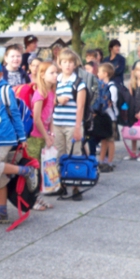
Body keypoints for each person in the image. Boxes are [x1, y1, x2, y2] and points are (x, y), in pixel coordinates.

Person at [0, 59, 38, 225]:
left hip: (5, 136)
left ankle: (26, 171)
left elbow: (15, 114)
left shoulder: (5, 89)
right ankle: (2, 211)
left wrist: (22, 137)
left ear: (0, 74)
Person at [52, 48, 86, 200]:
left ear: (75, 64)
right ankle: (63, 185)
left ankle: (76, 187)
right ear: (59, 64)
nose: (67, 65)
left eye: (70, 62)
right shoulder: (56, 80)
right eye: (64, 62)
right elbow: (49, 100)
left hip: (72, 124)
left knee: (74, 155)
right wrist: (57, 100)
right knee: (60, 155)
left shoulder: (79, 83)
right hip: (57, 124)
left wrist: (78, 127)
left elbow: (81, 107)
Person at [27, 61, 57, 210]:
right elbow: (36, 119)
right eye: (52, 73)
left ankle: (37, 197)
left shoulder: (51, 92)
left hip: (43, 135)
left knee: (42, 168)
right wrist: (46, 136)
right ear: (42, 75)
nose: (56, 75)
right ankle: (31, 200)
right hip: (34, 137)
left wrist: (51, 134)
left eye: (56, 72)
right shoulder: (40, 94)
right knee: (34, 169)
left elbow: (50, 116)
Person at [96, 63, 118, 172]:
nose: (97, 73)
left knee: (110, 140)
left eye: (99, 72)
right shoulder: (101, 85)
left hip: (110, 117)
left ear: (105, 74)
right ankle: (101, 160)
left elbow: (110, 102)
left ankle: (110, 161)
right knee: (103, 139)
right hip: (103, 117)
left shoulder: (111, 87)